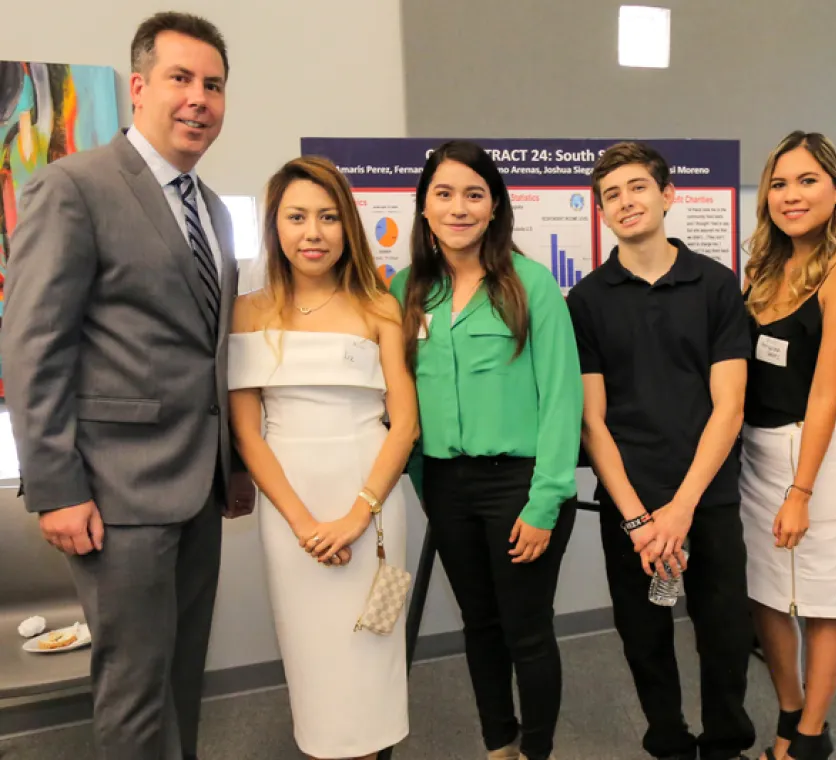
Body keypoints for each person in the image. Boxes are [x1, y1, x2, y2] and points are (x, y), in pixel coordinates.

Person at [0, 12, 253, 760]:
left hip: (199, 485)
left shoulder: (208, 208)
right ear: (139, 87)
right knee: (134, 689)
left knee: (181, 677)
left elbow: (208, 355)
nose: (198, 99)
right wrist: (56, 486)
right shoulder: (73, 186)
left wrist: (229, 466)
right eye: (181, 78)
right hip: (113, 495)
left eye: (213, 85)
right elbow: (34, 341)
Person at [389, 140, 582, 760]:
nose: (459, 207)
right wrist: (425, 483)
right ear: (423, 208)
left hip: (522, 486)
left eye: (474, 194)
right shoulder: (406, 290)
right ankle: (499, 744)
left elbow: (561, 398)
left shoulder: (531, 284)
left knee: (527, 633)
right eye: (443, 194)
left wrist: (545, 500)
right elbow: (400, 403)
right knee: (480, 627)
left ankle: (538, 751)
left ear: (495, 206)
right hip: (446, 486)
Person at [568, 142, 756, 760]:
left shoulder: (716, 285)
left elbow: (729, 406)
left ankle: (725, 743)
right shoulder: (588, 300)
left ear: (667, 195)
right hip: (633, 506)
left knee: (724, 633)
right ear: (601, 212)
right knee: (643, 634)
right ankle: (669, 742)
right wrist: (640, 518)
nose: (626, 202)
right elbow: (592, 422)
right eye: (612, 195)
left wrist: (680, 508)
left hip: (708, 497)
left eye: (637, 187)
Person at [227, 157, 417, 760]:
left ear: (348, 227)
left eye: (329, 217)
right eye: (298, 217)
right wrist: (306, 524)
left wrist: (356, 516)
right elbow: (248, 434)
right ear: (275, 227)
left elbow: (405, 424)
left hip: (375, 505)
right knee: (315, 661)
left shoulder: (379, 306)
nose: (313, 232)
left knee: (369, 657)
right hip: (291, 515)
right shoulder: (248, 311)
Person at [739, 132, 836, 760]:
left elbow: (825, 395)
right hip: (758, 451)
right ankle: (789, 715)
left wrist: (801, 493)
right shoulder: (766, 269)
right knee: (767, 592)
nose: (790, 196)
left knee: (825, 600)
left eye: (806, 181)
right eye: (779, 183)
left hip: (822, 454)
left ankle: (810, 738)